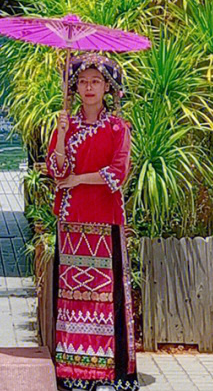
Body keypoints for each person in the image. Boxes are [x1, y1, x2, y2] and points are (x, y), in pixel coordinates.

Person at [46, 53, 137, 391]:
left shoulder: (117, 128)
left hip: (104, 220)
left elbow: (118, 173)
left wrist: (79, 179)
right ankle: (72, 370)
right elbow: (56, 171)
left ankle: (107, 374)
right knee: (73, 299)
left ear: (107, 88)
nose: (89, 87)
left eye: (96, 81)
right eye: (83, 81)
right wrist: (59, 135)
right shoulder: (66, 125)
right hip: (71, 223)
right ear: (75, 87)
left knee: (103, 298)